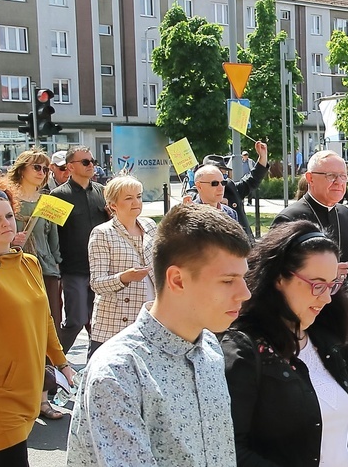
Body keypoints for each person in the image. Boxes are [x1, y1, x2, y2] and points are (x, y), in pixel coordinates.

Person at [67, 203, 251, 466]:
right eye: (227, 280)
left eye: (244, 278)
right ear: (177, 279)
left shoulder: (208, 347)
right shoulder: (119, 371)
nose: (245, 293)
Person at [221, 221, 348, 467]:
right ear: (280, 278)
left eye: (332, 285)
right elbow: (230, 449)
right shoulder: (244, 349)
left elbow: (338, 423)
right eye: (317, 284)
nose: (325, 298)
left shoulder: (324, 339)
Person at [273, 150, 348, 429]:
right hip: (308, 322)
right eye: (330, 176)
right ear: (309, 178)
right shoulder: (291, 218)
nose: (339, 182)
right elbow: (277, 273)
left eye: (343, 176)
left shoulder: (346, 215)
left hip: (344, 320)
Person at [0, 182, 74, 466]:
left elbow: (45, 320)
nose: (6, 223)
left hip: (31, 386)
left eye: (9, 215)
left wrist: (63, 363)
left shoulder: (29, 263)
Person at [7, 150, 65, 420]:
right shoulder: (7, 200)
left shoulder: (48, 201)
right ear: (22, 168)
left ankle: (43, 398)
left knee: (45, 332)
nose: (42, 173)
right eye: (37, 168)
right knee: (17, 334)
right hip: (14, 269)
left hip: (46, 271)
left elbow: (53, 239)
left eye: (45, 169)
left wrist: (56, 267)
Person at [87, 176, 157, 358]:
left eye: (139, 196)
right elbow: (96, 283)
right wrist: (124, 278)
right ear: (113, 205)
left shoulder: (150, 226)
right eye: (128, 198)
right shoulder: (102, 233)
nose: (136, 202)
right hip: (114, 325)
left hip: (149, 319)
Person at [50, 146, 111, 354]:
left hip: (100, 269)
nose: (91, 165)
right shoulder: (58, 195)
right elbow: (52, 234)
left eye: (92, 160)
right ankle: (52, 364)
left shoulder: (102, 193)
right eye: (85, 162)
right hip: (73, 269)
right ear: (70, 167)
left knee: (99, 326)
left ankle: (93, 368)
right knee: (76, 320)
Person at [200, 141, 268, 242]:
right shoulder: (195, 197)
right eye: (214, 182)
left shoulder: (231, 188)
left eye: (223, 176)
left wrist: (263, 157)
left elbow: (252, 179)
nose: (220, 186)